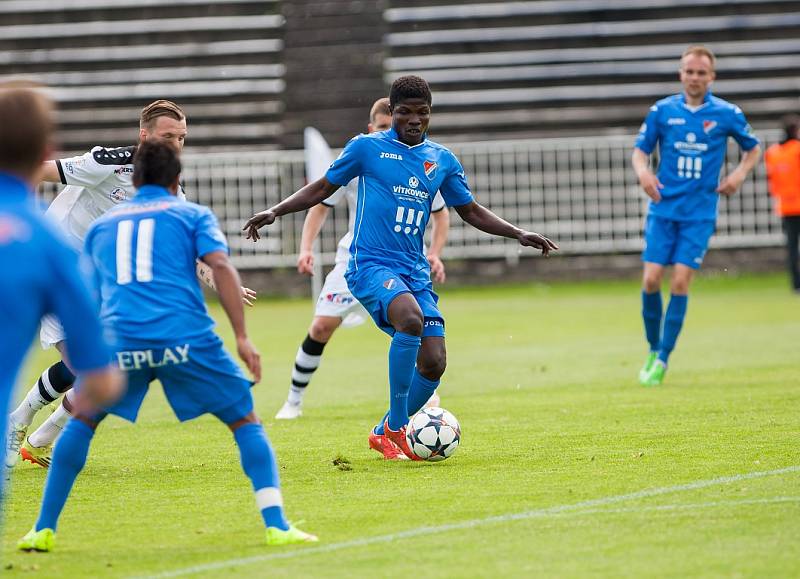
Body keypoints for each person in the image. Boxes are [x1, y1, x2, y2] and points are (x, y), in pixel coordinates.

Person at [17, 141, 316, 553]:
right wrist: (243, 337)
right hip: (186, 338)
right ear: (177, 180)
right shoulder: (192, 214)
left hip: (122, 339)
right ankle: (276, 524)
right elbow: (220, 267)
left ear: (133, 180)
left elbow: (91, 287)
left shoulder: (105, 227)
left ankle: (43, 529)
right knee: (245, 422)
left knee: (82, 423)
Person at [244, 75, 557, 461]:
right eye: (405, 112)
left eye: (421, 113)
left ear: (429, 115)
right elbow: (323, 187)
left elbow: (470, 210)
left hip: (414, 270)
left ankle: (381, 432)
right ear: (391, 113)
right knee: (408, 319)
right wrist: (275, 210)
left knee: (434, 362)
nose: (414, 120)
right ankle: (396, 425)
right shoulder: (366, 148)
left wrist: (518, 233)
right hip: (369, 263)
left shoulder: (442, 160)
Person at [6, 100, 255, 469]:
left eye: (182, 138)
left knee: (103, 369)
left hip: (104, 283)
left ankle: (33, 433)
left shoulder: (168, 187)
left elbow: (182, 244)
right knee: (92, 368)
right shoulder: (110, 162)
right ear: (145, 135)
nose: (176, 144)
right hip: (60, 273)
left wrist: (212, 276)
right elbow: (39, 170)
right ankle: (25, 429)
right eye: (168, 136)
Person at [275, 97, 450, 421]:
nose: (393, 133)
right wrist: (305, 247)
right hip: (357, 260)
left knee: (413, 327)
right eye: (385, 127)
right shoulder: (362, 158)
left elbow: (443, 214)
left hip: (404, 263)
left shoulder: (425, 163)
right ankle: (293, 400)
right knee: (321, 326)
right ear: (373, 128)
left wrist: (435, 253)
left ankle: (415, 401)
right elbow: (320, 202)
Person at [0, 81, 121, 503]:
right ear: (43, 149)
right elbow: (103, 377)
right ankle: (31, 434)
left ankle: (25, 427)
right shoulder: (44, 242)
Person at [632, 45, 761, 387]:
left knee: (679, 282)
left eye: (701, 72)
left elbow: (753, 148)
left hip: (699, 213)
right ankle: (652, 347)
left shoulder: (727, 113)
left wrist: (738, 175)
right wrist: (644, 173)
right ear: (681, 74)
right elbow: (640, 152)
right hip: (663, 208)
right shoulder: (662, 111)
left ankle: (662, 359)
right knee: (650, 280)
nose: (694, 77)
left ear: (711, 77)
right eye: (689, 71)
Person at [764, 114, 800, 292]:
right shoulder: (797, 149)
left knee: (792, 247)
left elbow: (772, 179)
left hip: (785, 205)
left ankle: (796, 284)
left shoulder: (772, 152)